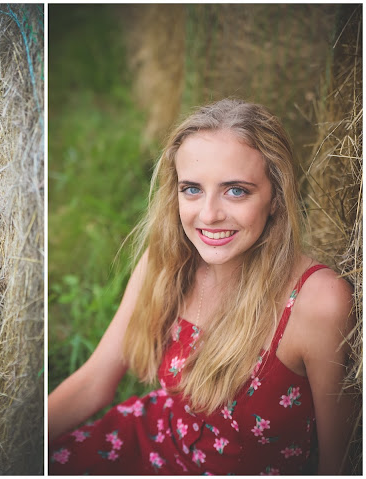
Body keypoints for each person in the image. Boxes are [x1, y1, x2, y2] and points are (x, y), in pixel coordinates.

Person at [48, 99, 356, 474]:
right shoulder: (164, 263)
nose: (209, 215)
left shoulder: (317, 301)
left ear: (275, 197)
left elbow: (339, 463)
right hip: (149, 442)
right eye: (192, 189)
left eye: (236, 191)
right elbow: (94, 382)